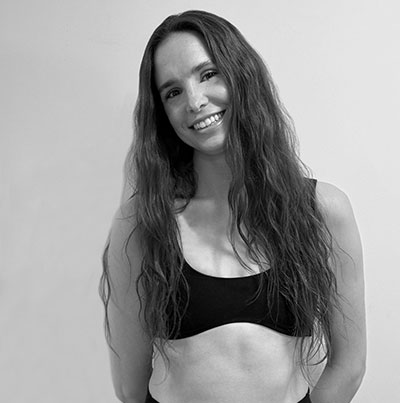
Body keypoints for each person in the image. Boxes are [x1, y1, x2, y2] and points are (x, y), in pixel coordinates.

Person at [99, 10, 366, 403]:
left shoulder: (324, 211)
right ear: (161, 113)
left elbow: (349, 365)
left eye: (208, 74)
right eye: (172, 92)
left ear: (242, 75)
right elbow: (130, 387)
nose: (194, 101)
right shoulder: (141, 223)